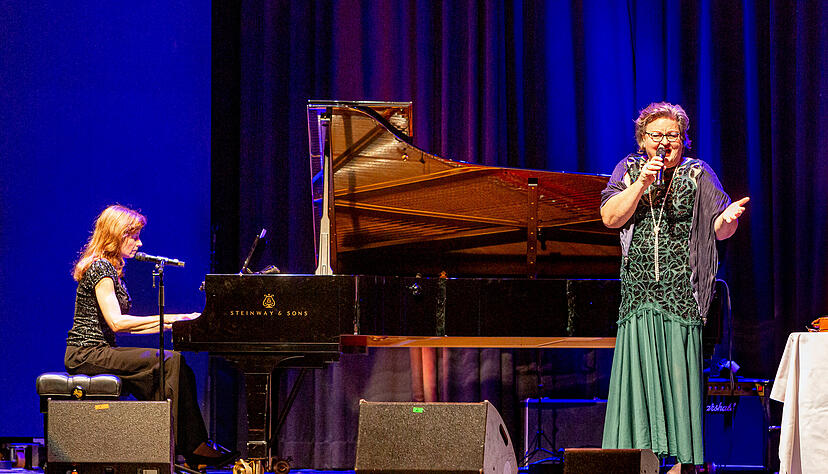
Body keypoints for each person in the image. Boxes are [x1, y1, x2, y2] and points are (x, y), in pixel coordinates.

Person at [599, 102, 749, 473]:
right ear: (642, 140)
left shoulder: (698, 173)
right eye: (656, 136)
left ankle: (682, 464)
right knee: (637, 385)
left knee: (679, 385)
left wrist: (727, 221)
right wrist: (641, 184)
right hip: (638, 295)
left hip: (681, 295)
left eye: (673, 136)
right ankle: (634, 461)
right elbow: (610, 217)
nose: (664, 143)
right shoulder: (629, 169)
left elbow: (718, 229)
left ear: (683, 140)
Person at [65, 204, 239, 468]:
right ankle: (184, 447)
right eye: (133, 236)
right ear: (115, 234)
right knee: (169, 362)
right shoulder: (100, 269)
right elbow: (117, 323)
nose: (139, 242)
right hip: (85, 355)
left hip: (100, 352)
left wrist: (178, 323)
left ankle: (186, 447)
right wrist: (168, 318)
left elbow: (131, 326)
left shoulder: (110, 270)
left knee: (177, 364)